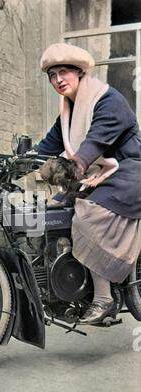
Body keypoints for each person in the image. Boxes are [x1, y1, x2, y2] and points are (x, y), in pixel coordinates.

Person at [36, 42, 141, 324]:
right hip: (98, 177)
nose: (58, 80)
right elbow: (46, 146)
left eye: (64, 72)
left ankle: (104, 298)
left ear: (80, 73)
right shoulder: (68, 113)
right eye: (52, 75)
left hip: (129, 174)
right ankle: (70, 285)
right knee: (51, 210)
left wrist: (71, 167)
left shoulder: (108, 101)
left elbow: (92, 145)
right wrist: (12, 162)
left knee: (88, 214)